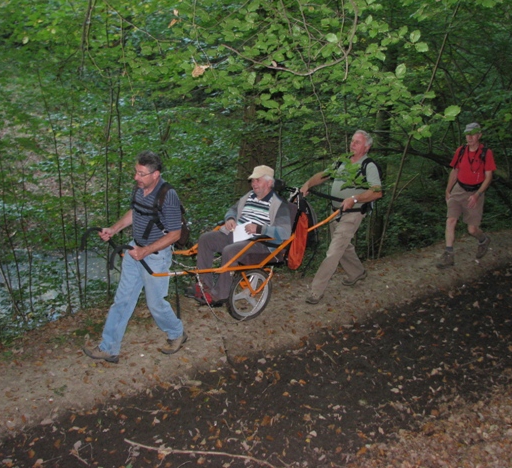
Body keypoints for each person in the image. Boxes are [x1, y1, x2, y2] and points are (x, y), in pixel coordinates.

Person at [82, 151, 187, 363]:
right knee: (122, 300)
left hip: (156, 256)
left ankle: (177, 333)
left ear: (155, 174)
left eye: (141, 174)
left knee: (155, 303)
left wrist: (146, 251)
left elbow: (175, 234)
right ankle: (109, 347)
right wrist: (113, 229)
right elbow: (135, 212)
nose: (136, 178)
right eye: (135, 172)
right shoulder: (140, 189)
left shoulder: (168, 196)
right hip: (133, 250)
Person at [188, 165, 292, 306]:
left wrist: (260, 228)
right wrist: (230, 219)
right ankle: (204, 286)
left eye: (257, 180)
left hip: (260, 242)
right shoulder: (248, 196)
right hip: (237, 235)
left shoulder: (279, 204)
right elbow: (232, 210)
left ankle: (220, 295)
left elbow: (285, 232)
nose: (253, 184)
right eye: (252, 181)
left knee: (230, 251)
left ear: (269, 183)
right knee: (206, 239)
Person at [300, 130, 382, 305]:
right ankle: (357, 273)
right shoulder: (343, 161)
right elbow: (323, 175)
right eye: (352, 141)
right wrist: (308, 183)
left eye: (357, 142)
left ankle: (316, 291)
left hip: (352, 214)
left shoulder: (368, 165)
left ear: (366, 147)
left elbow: (377, 192)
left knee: (333, 251)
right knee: (344, 247)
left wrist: (354, 199)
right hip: (335, 212)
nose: (352, 144)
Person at [437, 122, 496, 269]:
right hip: (459, 189)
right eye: (467, 134)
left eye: (473, 134)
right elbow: (455, 170)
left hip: (475, 191)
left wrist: (477, 195)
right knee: (450, 220)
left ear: (479, 135)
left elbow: (489, 177)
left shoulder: (486, 153)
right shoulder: (461, 151)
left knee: (472, 229)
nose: (469, 137)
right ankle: (449, 255)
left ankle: (483, 239)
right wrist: (448, 189)